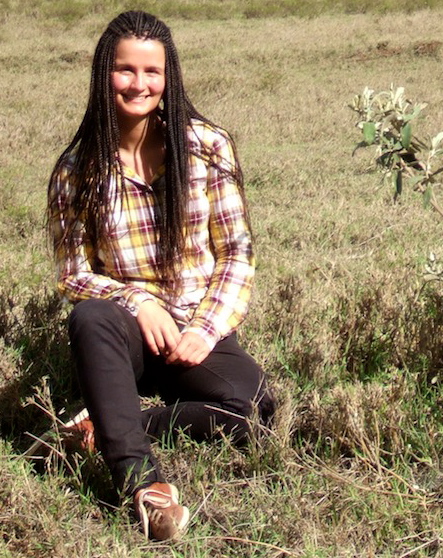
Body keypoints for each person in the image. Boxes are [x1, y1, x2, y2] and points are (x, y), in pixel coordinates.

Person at [47, 10, 274, 542]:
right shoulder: (76, 170)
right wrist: (138, 302)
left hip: (195, 331)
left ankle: (104, 423)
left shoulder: (206, 146)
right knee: (91, 316)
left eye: (152, 71)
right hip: (126, 336)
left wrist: (204, 329)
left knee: (253, 409)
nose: (139, 84)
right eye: (125, 70)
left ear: (168, 77)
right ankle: (144, 484)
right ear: (104, 74)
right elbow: (73, 274)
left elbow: (236, 254)